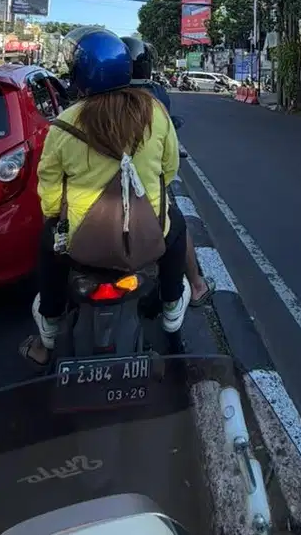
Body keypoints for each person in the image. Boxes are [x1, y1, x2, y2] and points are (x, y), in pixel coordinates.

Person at [19, 29, 190, 369]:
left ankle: (48, 333)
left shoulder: (64, 124)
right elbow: (168, 171)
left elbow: (50, 186)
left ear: (81, 73)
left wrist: (58, 219)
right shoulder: (155, 113)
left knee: (47, 247)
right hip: (146, 239)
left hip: (81, 243)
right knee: (178, 228)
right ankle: (172, 309)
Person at [121, 36, 215, 309]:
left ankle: (49, 332)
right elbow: (169, 165)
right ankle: (195, 287)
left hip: (88, 210)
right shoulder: (156, 101)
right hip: (145, 202)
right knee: (176, 224)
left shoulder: (80, 110)